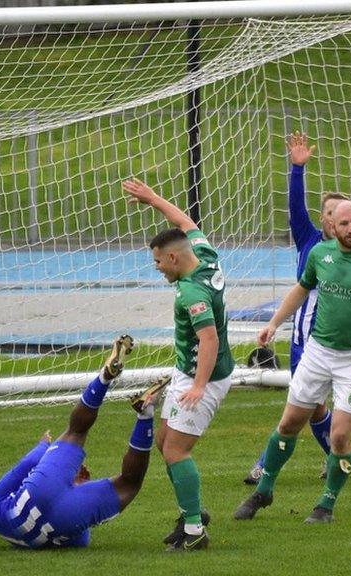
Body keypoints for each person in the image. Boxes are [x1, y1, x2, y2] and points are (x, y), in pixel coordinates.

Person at [234, 200, 351, 523]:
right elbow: (300, 290)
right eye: (344, 224)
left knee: (340, 436)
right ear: (332, 227)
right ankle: (264, 490)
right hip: (318, 352)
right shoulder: (319, 255)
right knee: (288, 424)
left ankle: (326, 505)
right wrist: (273, 323)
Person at [245, 131, 351, 485]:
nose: (338, 218)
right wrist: (297, 169)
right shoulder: (309, 243)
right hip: (304, 339)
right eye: (330, 213)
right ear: (324, 219)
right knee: (308, 407)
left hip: (341, 339)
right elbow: (294, 208)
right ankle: (332, 457)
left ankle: (268, 463)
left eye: (344, 213)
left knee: (310, 409)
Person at [121, 178, 235, 551]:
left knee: (176, 450)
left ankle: (193, 531)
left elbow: (209, 339)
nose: (156, 268)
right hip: (188, 371)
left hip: (205, 375)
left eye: (157, 261)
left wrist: (199, 386)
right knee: (165, 441)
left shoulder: (192, 293)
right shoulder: (205, 257)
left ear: (173, 258)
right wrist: (153, 199)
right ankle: (193, 511)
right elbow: (186, 224)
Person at [0, 335, 168, 548]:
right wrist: (42, 446)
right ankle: (104, 378)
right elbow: (23, 468)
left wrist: (75, 487)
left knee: (129, 484)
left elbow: (81, 537)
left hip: (65, 520)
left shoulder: (9, 533)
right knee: (76, 431)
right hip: (40, 489)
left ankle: (146, 411)